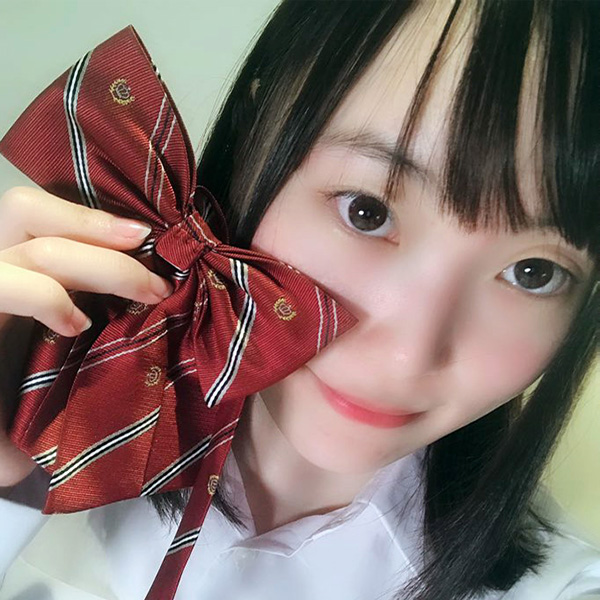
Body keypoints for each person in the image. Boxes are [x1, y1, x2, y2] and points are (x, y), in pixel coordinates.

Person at [1, 0, 599, 599]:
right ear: (255, 132)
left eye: (534, 272)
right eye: (367, 211)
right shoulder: (41, 394)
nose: (408, 358)